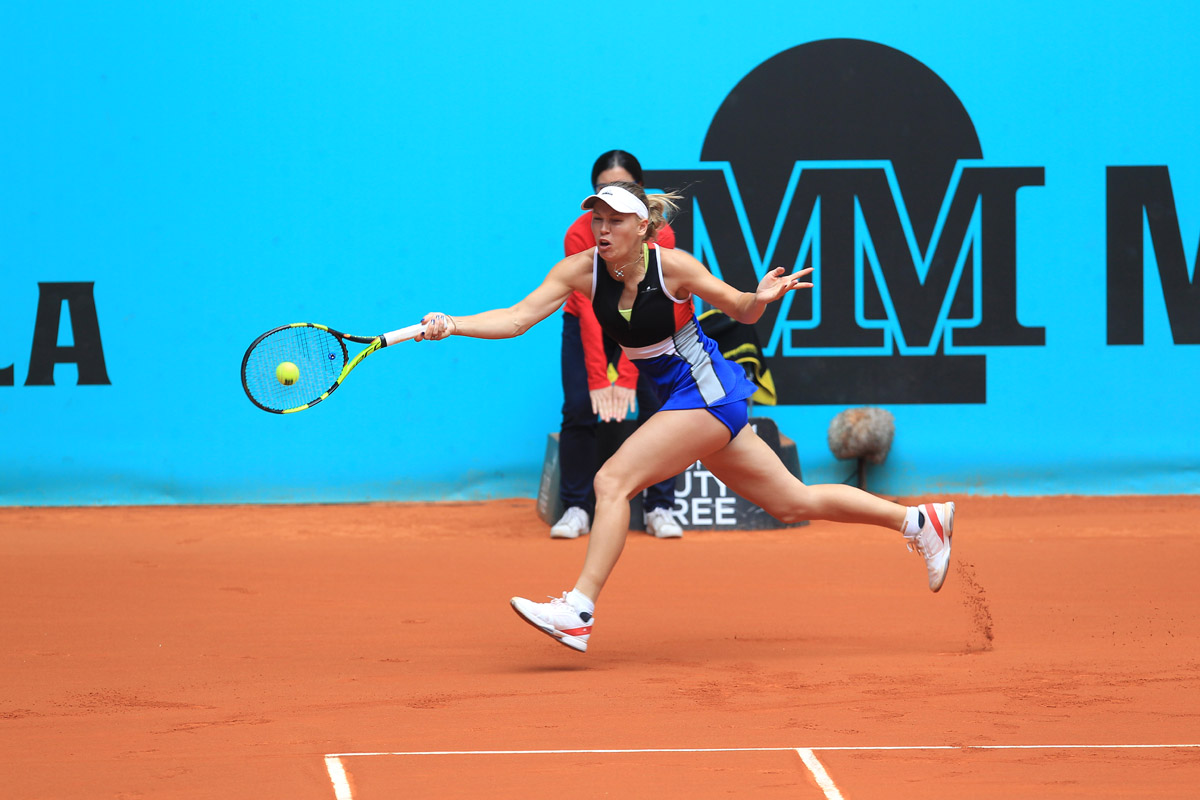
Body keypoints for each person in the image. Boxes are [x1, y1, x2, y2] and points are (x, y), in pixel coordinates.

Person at [418, 181, 954, 654]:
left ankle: (578, 610)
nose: (601, 229)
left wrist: (761, 297)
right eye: (597, 219)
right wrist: (453, 324)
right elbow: (517, 319)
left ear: (642, 227)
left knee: (611, 481)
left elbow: (740, 308)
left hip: (707, 393)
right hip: (688, 398)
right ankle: (919, 522)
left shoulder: (673, 267)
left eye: (614, 220)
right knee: (793, 501)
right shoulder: (580, 271)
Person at [551, 150, 683, 541]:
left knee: (659, 409)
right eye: (601, 192)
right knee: (578, 407)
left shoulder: (663, 236)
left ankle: (660, 507)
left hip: (647, 324)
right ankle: (576, 507)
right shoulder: (580, 234)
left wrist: (625, 377)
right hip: (589, 320)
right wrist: (598, 378)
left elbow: (645, 308)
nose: (608, 204)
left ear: (640, 192)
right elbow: (588, 308)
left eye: (621, 189)